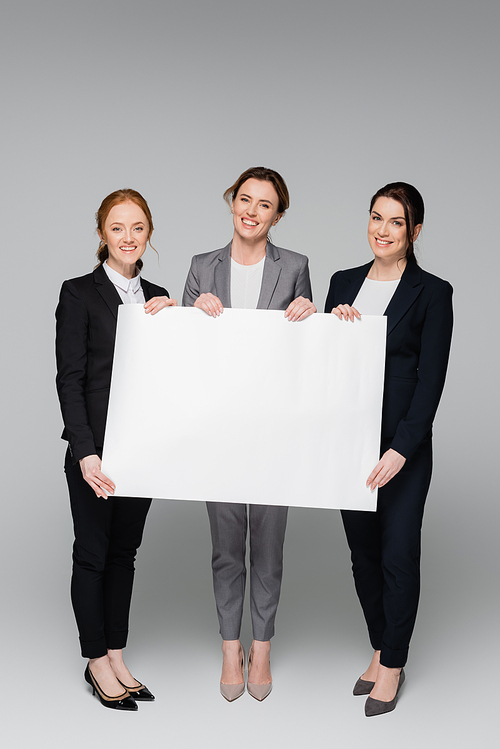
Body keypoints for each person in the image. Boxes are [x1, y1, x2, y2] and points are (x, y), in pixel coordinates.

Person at [183, 166, 316, 701]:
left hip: (273, 431)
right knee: (225, 548)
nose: (252, 210)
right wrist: (191, 313)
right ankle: (228, 646)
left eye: (265, 204)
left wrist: (309, 313)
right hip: (218, 432)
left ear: (277, 215)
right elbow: (181, 355)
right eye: (245, 199)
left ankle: (261, 645)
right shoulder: (200, 267)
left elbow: (304, 355)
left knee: (268, 545)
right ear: (231, 202)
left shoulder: (297, 267)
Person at [325, 182, 453, 716]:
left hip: (401, 450)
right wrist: (329, 327)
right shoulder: (343, 283)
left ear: (414, 232)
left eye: (396, 222)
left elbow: (430, 380)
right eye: (376, 217)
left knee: (399, 551)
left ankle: (394, 664)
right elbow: (321, 365)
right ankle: (381, 646)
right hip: (348, 444)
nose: (382, 229)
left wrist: (403, 448)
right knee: (364, 555)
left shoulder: (432, 292)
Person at [56, 189, 176, 710]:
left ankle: (117, 653)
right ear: (102, 234)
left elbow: (173, 378)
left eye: (138, 228)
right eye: (117, 228)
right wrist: (86, 453)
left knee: (124, 556)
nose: (128, 238)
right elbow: (70, 379)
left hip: (141, 453)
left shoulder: (159, 295)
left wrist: (177, 322)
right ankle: (95, 660)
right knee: (92, 555)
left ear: (149, 233)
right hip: (96, 453)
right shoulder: (79, 293)